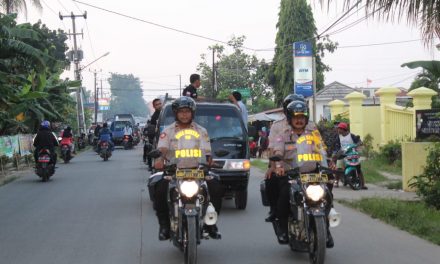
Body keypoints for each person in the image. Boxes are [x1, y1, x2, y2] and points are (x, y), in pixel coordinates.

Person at [153, 96, 223, 240]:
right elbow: (163, 149)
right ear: (176, 113)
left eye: (187, 111)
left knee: (216, 187)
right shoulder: (168, 131)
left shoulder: (201, 131)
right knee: (159, 189)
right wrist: (160, 160)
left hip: (197, 171)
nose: (184, 114)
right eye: (181, 112)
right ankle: (164, 225)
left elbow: (207, 152)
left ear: (192, 113)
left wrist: (210, 160)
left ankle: (211, 224)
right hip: (174, 172)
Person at [271, 100, 334, 247]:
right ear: (290, 118)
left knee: (327, 195)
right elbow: (278, 152)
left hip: (312, 174)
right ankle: (282, 228)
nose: (299, 120)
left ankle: (326, 228)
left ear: (306, 119)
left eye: (302, 117)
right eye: (296, 117)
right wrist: (279, 166)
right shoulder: (283, 134)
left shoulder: (314, 135)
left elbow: (322, 151)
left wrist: (329, 162)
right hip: (291, 175)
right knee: (284, 196)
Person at [264, 94, 311, 222]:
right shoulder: (279, 128)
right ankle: (276, 212)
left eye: (302, 114)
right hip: (288, 169)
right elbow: (274, 148)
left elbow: (321, 148)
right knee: (272, 181)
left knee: (326, 188)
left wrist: (329, 162)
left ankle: (326, 218)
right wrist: (274, 167)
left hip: (309, 169)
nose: (299, 118)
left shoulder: (311, 128)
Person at [332, 122, 368, 189]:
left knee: (358, 168)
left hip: (352, 153)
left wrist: (358, 144)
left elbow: (359, 141)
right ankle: (336, 181)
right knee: (338, 167)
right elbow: (336, 146)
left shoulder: (351, 136)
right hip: (343, 154)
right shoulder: (338, 137)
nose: (338, 130)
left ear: (343, 129)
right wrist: (337, 152)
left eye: (339, 129)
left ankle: (362, 184)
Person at [144, 98, 162, 168]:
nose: (159, 106)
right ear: (154, 107)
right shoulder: (154, 117)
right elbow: (152, 130)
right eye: (157, 105)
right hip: (160, 138)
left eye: (160, 103)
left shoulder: (169, 112)